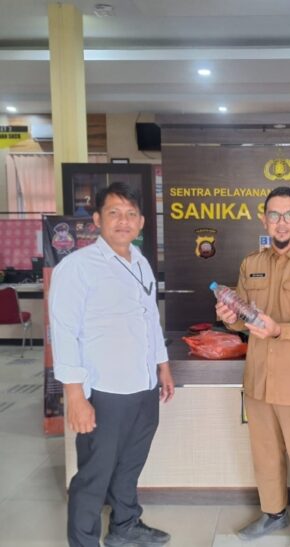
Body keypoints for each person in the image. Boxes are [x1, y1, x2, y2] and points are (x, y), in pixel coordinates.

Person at [49, 182, 174, 547]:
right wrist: (75, 396)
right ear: (97, 219)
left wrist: (163, 365)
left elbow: (150, 319)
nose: (124, 221)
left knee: (130, 463)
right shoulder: (77, 267)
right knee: (94, 475)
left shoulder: (141, 262)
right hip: (104, 391)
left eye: (131, 214)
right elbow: (64, 332)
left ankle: (125, 525)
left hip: (143, 386)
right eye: (114, 213)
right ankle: (83, 541)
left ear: (142, 222)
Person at [217, 186, 290, 547]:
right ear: (263, 219)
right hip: (259, 379)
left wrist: (280, 329)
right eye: (274, 214)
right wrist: (229, 318)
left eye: (289, 215)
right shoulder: (251, 264)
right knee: (265, 455)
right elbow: (243, 321)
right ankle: (274, 513)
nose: (282, 223)